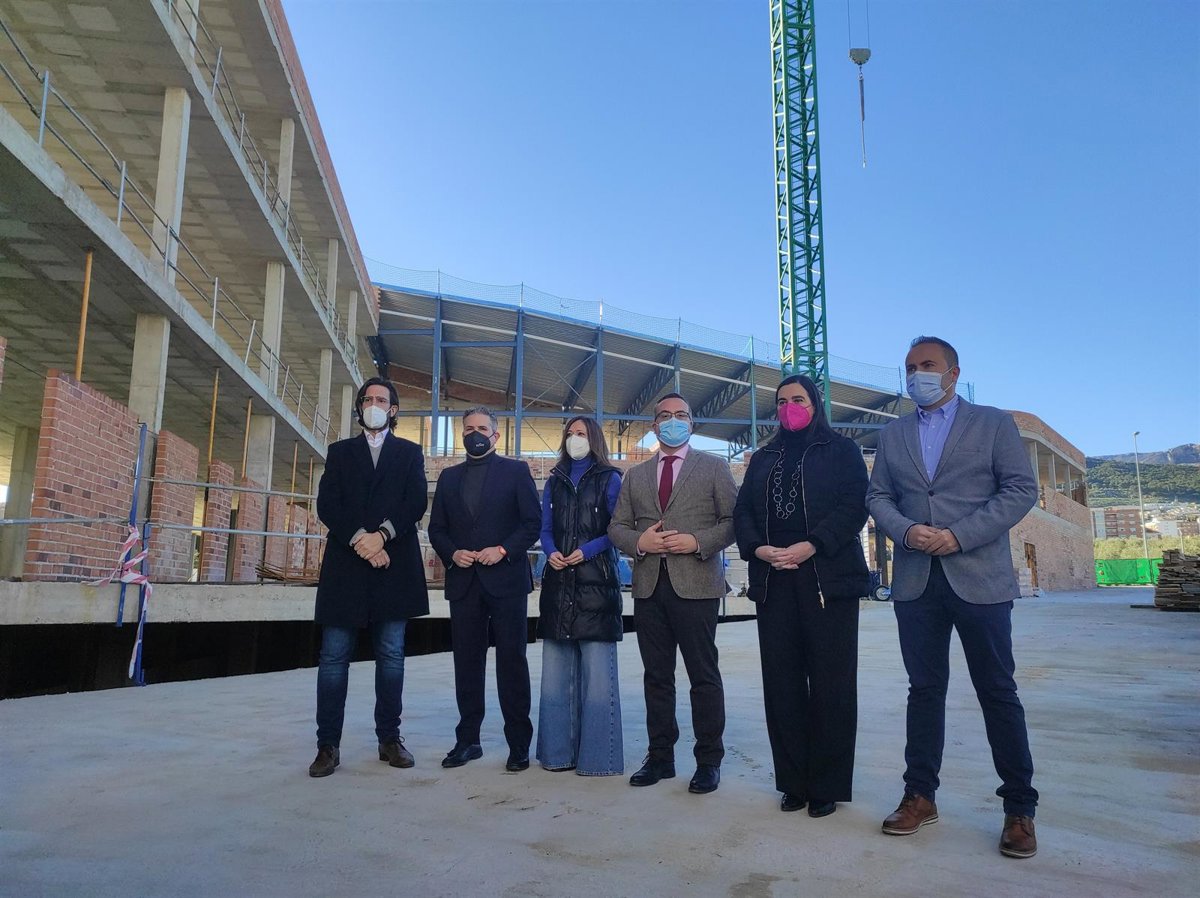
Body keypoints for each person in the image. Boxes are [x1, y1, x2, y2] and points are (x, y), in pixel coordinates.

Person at [867, 336, 1040, 858]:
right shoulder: (893, 434)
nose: (917, 374)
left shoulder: (993, 423)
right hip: (916, 581)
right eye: (910, 367)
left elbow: (1020, 489)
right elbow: (878, 495)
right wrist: (905, 530)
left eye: (927, 365)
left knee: (997, 690)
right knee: (924, 690)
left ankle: (1019, 808)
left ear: (953, 373)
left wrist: (959, 535)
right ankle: (920, 795)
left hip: (979, 577)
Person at [732, 375, 870, 818]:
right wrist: (757, 549)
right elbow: (743, 511)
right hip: (774, 579)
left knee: (832, 684)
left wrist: (813, 544)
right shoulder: (764, 457)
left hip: (826, 579)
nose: (788, 407)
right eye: (781, 401)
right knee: (782, 683)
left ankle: (826, 784)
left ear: (815, 404)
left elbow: (854, 506)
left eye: (798, 399)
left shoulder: (842, 451)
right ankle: (793, 782)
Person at [608, 392, 738, 794]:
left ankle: (708, 761)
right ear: (654, 425)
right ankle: (660, 757)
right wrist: (640, 542)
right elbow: (616, 527)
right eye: (665, 415)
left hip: (696, 585)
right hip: (650, 587)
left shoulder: (714, 467)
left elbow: (733, 521)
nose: (673, 421)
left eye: (681, 414)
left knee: (703, 675)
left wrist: (697, 542)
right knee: (657, 677)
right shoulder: (636, 475)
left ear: (692, 423)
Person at [309, 377, 429, 777]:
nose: (374, 405)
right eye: (368, 399)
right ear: (359, 407)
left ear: (393, 410)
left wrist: (382, 537)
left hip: (393, 566)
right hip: (346, 567)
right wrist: (362, 539)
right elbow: (328, 504)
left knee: (391, 655)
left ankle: (389, 739)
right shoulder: (340, 452)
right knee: (333, 657)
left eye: (382, 399)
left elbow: (414, 502)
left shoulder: (409, 453)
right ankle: (328, 745)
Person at [428, 406, 541, 772]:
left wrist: (503, 550)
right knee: (467, 663)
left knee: (512, 661)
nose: (474, 433)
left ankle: (518, 744)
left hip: (506, 580)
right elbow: (436, 529)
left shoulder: (516, 471)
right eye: (468, 428)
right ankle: (468, 740)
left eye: (481, 428)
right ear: (461, 434)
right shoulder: (448, 478)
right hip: (465, 582)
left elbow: (532, 523)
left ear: (495, 435)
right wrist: (452, 553)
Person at [535, 416, 625, 776]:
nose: (575, 438)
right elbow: (545, 529)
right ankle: (557, 755)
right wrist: (551, 551)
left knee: (598, 681)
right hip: (558, 585)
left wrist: (586, 551)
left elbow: (617, 529)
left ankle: (599, 761)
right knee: (555, 679)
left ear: (595, 439)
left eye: (582, 433)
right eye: (570, 433)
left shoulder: (610, 479)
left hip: (596, 586)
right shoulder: (554, 481)